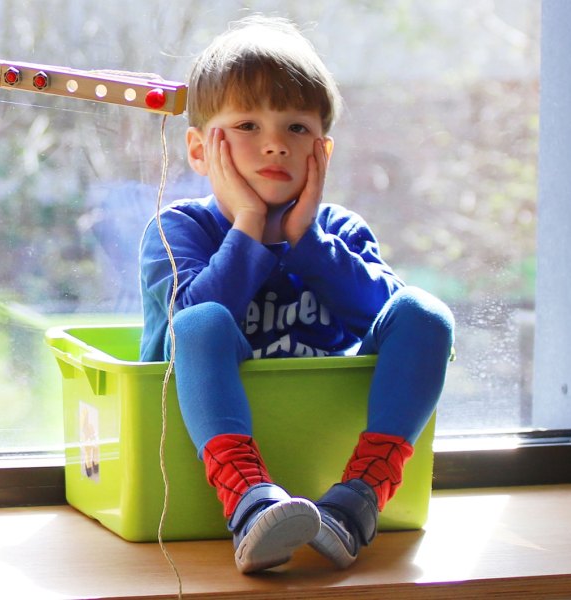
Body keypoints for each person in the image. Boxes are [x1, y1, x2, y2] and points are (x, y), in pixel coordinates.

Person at [139, 15, 454, 574]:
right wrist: (251, 223)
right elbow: (187, 329)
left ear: (323, 152)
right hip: (197, 470)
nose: (275, 146)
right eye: (247, 125)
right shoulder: (177, 229)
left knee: (425, 313)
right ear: (198, 149)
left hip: (328, 475)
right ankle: (248, 503)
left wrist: (306, 242)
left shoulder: (341, 234)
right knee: (203, 319)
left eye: (297, 129)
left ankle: (358, 499)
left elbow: (398, 326)